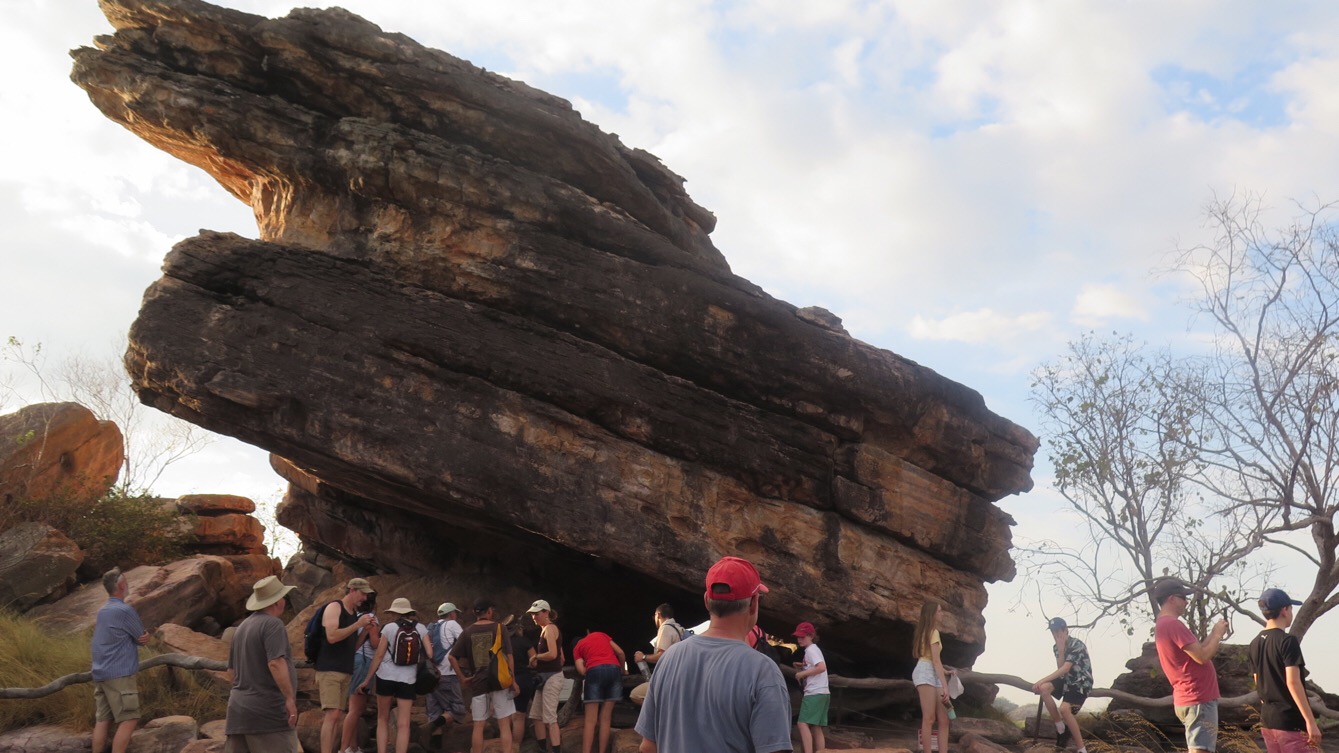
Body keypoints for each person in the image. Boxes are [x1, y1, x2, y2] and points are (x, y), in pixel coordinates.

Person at [634, 556, 792, 753]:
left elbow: (648, 747)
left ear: (707, 601)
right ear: (753, 603)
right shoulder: (763, 671)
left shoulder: (669, 658)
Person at [1153, 577, 1229, 753]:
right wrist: (1218, 635)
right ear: (1171, 599)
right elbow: (1202, 656)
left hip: (1190, 697)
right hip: (1197, 698)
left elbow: (1198, 650)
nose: (1186, 602)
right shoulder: (1173, 624)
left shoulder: (1163, 624)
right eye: (1183, 597)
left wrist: (1214, 632)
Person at [224, 575, 299, 752]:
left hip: (238, 711)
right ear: (277, 602)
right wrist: (289, 698)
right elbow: (276, 663)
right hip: (267, 713)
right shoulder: (273, 625)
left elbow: (231, 672)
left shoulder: (242, 628)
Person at [1248, 588, 1322, 753]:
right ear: (1284, 610)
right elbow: (1293, 682)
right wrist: (1310, 721)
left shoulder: (1254, 643)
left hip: (1268, 722)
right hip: (1291, 723)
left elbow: (1258, 683)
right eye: (1291, 609)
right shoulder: (1287, 641)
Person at [358, 598, 432, 753]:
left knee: (382, 719)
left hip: (385, 677)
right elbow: (430, 653)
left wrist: (367, 679)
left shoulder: (389, 628)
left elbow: (379, 655)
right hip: (408, 679)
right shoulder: (420, 628)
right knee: (404, 724)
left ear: (395, 613)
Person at [449, 597, 520, 753]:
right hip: (499, 681)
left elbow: (452, 657)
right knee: (504, 724)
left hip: (478, 682)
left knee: (479, 726)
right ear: (489, 611)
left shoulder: (467, 632)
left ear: (474, 612)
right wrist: (513, 680)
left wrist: (462, 678)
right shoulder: (500, 628)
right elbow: (509, 656)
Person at [90, 568, 150, 753]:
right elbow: (141, 638)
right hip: (119, 674)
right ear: (122, 586)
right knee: (129, 718)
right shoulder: (124, 610)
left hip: (101, 672)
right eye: (127, 582)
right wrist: (145, 636)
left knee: (103, 720)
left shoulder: (103, 610)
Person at [316, 578, 377, 753]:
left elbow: (352, 647)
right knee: (332, 714)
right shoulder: (335, 607)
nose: (364, 598)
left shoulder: (352, 614)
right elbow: (332, 636)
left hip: (345, 669)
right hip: (329, 668)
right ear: (352, 590)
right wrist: (358, 624)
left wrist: (365, 631)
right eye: (362, 594)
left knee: (337, 715)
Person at [1031, 618, 1092, 753]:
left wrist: (1041, 680)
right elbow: (1061, 669)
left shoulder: (1077, 644)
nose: (1056, 635)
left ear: (1065, 630)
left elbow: (1065, 668)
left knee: (1064, 709)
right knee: (1044, 689)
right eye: (1053, 632)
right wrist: (1061, 650)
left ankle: (1081, 749)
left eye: (1058, 631)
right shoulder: (1056, 647)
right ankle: (1061, 729)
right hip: (1066, 680)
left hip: (1080, 681)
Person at [572, 630, 628, 753]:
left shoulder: (577, 648)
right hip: (614, 670)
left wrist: (588, 665)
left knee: (590, 720)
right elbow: (620, 653)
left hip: (594, 670)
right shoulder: (600, 635)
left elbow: (582, 670)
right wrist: (622, 670)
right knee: (606, 718)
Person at [340, 598, 380, 753]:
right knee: (356, 709)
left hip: (353, 661)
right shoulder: (371, 618)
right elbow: (375, 643)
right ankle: (344, 748)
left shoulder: (354, 617)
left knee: (354, 707)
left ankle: (353, 747)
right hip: (364, 661)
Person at [527, 599, 564, 753]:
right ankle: (542, 749)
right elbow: (561, 657)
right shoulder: (545, 630)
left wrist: (536, 657)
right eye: (532, 614)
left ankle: (556, 750)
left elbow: (553, 654)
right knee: (536, 715)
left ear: (546, 613)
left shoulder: (549, 629)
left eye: (537, 614)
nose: (534, 617)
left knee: (550, 718)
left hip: (552, 676)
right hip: (544, 676)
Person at [912, 601, 950, 753]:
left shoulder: (928, 631)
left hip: (932, 671)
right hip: (925, 671)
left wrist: (945, 672)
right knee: (929, 718)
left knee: (944, 719)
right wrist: (945, 686)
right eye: (939, 611)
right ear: (932, 614)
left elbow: (933, 659)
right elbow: (934, 660)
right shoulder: (933, 632)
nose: (942, 614)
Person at [630, 604, 685, 706]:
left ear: (658, 615)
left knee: (635, 695)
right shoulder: (679, 629)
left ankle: (660, 712)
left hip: (668, 678)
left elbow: (661, 656)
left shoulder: (665, 628)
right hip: (680, 677)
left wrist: (643, 657)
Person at [426, 602, 467, 730]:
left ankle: (431, 734)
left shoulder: (431, 627)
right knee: (458, 709)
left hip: (431, 675)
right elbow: (465, 642)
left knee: (434, 711)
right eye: (455, 613)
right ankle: (434, 725)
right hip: (448, 675)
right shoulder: (452, 624)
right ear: (452, 614)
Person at [792, 622, 829, 753]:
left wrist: (802, 673)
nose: (799, 639)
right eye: (798, 637)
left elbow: (821, 667)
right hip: (823, 692)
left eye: (803, 637)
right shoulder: (814, 649)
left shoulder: (811, 650)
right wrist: (804, 666)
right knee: (816, 727)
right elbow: (816, 666)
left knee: (802, 724)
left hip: (814, 692)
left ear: (811, 636)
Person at [508, 616, 540, 752]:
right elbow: (535, 662)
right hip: (523, 679)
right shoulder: (524, 641)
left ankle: (507, 745)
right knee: (519, 716)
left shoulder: (503, 643)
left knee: (508, 715)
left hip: (506, 680)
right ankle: (516, 746)